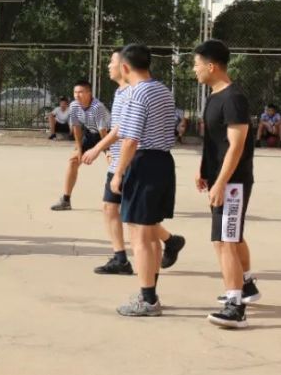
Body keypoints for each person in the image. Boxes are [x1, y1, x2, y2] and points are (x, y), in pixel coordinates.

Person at [83, 49, 185, 276]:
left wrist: (102, 151)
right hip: (141, 160)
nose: (108, 66)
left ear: (125, 66)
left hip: (134, 161)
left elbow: (127, 134)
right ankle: (124, 259)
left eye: (112, 62)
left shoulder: (136, 93)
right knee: (120, 212)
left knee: (140, 227)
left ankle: (148, 292)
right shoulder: (137, 91)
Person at [193, 40, 260, 329]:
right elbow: (214, 142)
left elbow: (236, 146)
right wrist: (204, 169)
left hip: (233, 182)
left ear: (212, 66)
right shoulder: (213, 96)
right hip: (221, 179)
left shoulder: (234, 98)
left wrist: (221, 182)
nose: (194, 70)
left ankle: (235, 306)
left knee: (225, 239)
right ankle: (246, 285)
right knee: (231, 236)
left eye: (196, 65)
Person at [110, 44, 177, 317]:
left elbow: (131, 139)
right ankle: (148, 291)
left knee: (139, 235)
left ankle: (148, 300)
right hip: (163, 161)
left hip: (143, 162)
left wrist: (118, 172)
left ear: (126, 67)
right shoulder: (163, 90)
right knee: (150, 234)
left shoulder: (137, 94)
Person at [50, 80, 109, 211]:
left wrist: (107, 150)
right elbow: (76, 127)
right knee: (73, 161)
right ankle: (66, 201)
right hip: (90, 134)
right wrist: (79, 149)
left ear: (89, 93)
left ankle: (122, 201)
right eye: (75, 92)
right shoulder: (74, 106)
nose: (77, 95)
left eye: (81, 92)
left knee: (115, 165)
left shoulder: (97, 107)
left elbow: (103, 131)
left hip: (107, 134)